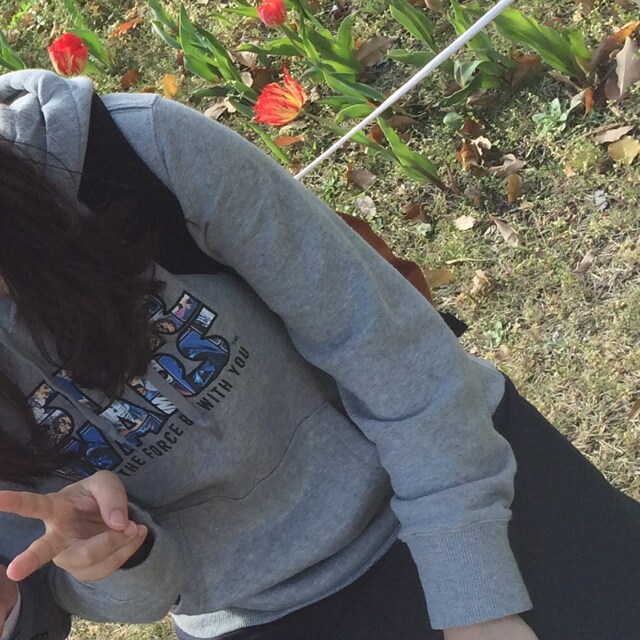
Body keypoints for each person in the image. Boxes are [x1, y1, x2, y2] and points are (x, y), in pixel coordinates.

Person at [0, 69, 637, 640]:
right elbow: (65, 587)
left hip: (454, 480)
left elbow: (388, 349)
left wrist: (474, 595)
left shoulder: (134, 152)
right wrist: (119, 560)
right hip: (261, 612)